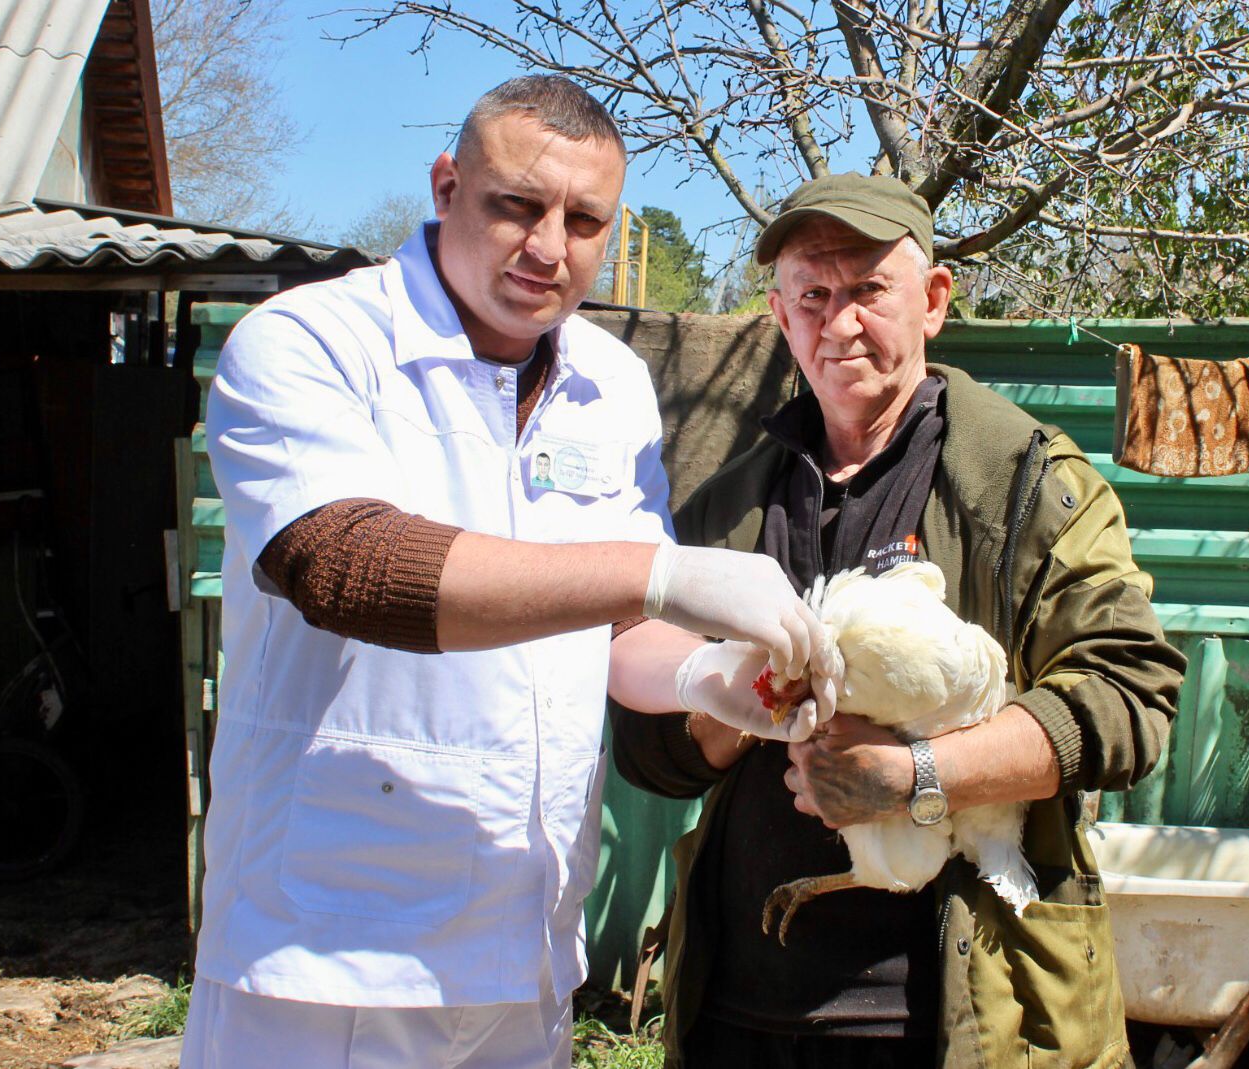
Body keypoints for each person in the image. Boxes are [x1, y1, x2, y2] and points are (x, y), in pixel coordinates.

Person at [181, 77, 836, 1069]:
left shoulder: (608, 384)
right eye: (516, 206)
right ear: (447, 187)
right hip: (326, 961)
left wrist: (708, 678)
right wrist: (659, 571)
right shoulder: (312, 344)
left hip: (523, 962)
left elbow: (623, 630)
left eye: (584, 221)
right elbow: (349, 568)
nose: (548, 248)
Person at [610, 174, 1187, 1068]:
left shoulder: (1024, 484)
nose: (839, 324)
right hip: (736, 1012)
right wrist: (734, 704)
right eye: (813, 295)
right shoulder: (728, 505)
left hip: (960, 1021)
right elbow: (647, 750)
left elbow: (1130, 698)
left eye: (869, 290)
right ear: (779, 313)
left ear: (935, 301)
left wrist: (918, 775)